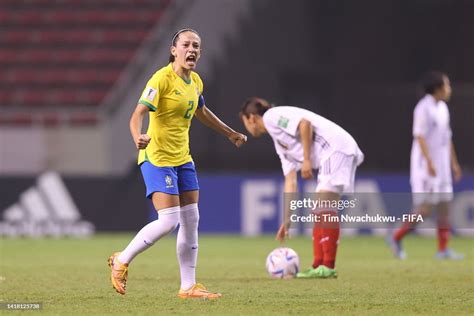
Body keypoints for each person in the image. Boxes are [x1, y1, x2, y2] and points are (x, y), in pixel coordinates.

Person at [108, 28, 247, 299]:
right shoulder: (161, 79)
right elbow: (136, 115)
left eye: (196, 45)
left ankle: (188, 286)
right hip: (157, 158)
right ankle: (121, 260)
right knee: (169, 221)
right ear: (174, 50)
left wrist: (230, 133)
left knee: (191, 218)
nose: (192, 49)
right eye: (186, 44)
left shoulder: (195, 81)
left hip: (182, 159)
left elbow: (201, 111)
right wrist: (138, 137)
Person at [239, 97, 364, 278]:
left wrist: (306, 160)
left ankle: (327, 266)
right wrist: (287, 219)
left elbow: (304, 124)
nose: (247, 127)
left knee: (324, 206)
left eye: (244, 122)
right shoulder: (280, 143)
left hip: (334, 148)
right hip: (337, 150)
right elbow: (290, 181)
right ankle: (318, 266)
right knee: (320, 208)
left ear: (250, 117)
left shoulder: (272, 116)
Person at [387, 71, 463, 260]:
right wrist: (429, 161)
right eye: (447, 85)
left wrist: (454, 163)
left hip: (443, 166)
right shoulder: (423, 107)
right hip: (425, 167)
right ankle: (396, 237)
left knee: (445, 206)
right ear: (438, 88)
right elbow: (419, 135)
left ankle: (443, 249)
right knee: (424, 209)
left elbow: (447, 138)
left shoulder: (443, 108)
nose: (449, 89)